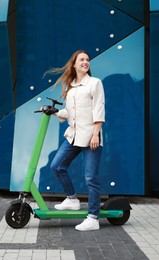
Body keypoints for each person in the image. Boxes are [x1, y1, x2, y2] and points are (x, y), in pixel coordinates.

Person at [45, 50, 105, 231]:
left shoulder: (95, 83)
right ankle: (72, 199)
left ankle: (93, 218)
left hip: (90, 136)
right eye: (82, 59)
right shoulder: (71, 87)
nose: (86, 62)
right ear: (74, 64)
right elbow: (70, 113)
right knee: (56, 166)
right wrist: (55, 112)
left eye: (88, 60)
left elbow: (99, 109)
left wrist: (96, 133)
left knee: (91, 179)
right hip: (73, 136)